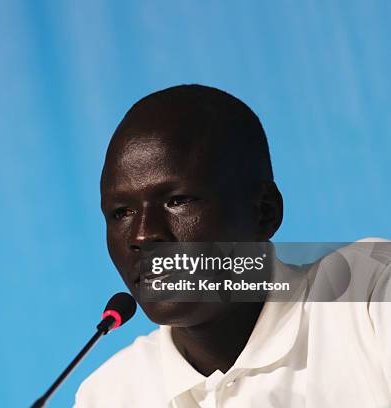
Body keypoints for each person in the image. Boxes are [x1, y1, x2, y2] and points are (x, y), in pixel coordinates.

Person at [74, 85, 391, 407]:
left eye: (177, 201)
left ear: (263, 211)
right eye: (121, 213)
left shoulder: (368, 295)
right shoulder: (107, 394)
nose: (142, 235)